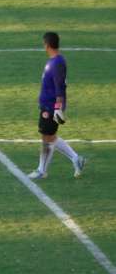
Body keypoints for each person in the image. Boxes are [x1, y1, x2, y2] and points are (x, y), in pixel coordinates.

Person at [28, 32, 86, 180]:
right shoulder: (54, 61)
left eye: (44, 44)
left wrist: (58, 108)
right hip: (47, 106)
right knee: (49, 137)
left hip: (51, 107)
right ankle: (76, 159)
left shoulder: (57, 63)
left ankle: (42, 171)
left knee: (47, 138)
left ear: (47, 45)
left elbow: (60, 89)